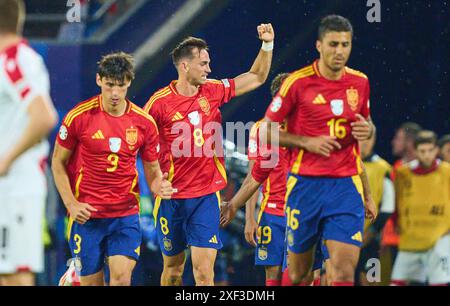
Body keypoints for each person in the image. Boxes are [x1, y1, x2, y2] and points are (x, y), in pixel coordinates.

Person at [144, 24, 275, 286]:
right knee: (173, 271)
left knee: (205, 273)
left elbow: (256, 77)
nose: (209, 69)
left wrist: (267, 45)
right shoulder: (158, 104)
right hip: (172, 199)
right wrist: (155, 181)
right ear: (184, 66)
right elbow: (140, 146)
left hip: (205, 197)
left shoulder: (212, 90)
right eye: (203, 64)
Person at [261, 15, 376, 286]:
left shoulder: (360, 83)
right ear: (319, 45)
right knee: (301, 273)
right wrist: (306, 142)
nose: (339, 51)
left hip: (345, 186)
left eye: (345, 45)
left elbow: (366, 123)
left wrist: (367, 130)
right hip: (306, 185)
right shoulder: (297, 84)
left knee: (343, 271)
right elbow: (266, 130)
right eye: (333, 44)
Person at [52, 52, 174, 286]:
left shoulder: (144, 123)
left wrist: (160, 185)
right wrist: (71, 204)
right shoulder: (79, 117)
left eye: (121, 85)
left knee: (120, 279)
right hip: (87, 215)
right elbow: (57, 162)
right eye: (109, 85)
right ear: (99, 80)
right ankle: (75, 276)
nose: (115, 93)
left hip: (125, 214)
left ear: (129, 81)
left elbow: (152, 168)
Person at [0, 0, 58, 286]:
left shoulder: (16, 60)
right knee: (5, 272)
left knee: (18, 275)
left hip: (19, 186)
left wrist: (6, 159)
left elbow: (44, 116)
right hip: (7, 187)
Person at [221, 73, 289, 286]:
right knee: (273, 276)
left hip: (303, 213)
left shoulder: (310, 129)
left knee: (306, 275)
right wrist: (250, 218)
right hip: (272, 213)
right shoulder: (260, 130)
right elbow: (254, 176)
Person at [390, 130, 450, 286]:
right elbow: (397, 202)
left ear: (437, 150)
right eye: (422, 151)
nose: (427, 155)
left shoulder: (447, 172)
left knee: (439, 282)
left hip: (440, 238)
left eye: (430, 150)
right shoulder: (403, 173)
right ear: (416, 151)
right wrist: (396, 222)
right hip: (411, 239)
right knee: (397, 282)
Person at [381, 121, 422, 280]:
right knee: (379, 279)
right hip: (391, 239)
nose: (393, 142)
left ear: (409, 142)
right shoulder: (394, 169)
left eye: (398, 138)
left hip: (416, 239)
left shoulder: (426, 170)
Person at [356, 131, 395, 285]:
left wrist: (371, 233)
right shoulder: (341, 164)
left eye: (369, 138)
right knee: (332, 277)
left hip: (371, 240)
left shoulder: (384, 168)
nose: (365, 142)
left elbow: (388, 206)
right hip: (341, 235)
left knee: (371, 280)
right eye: (361, 138)